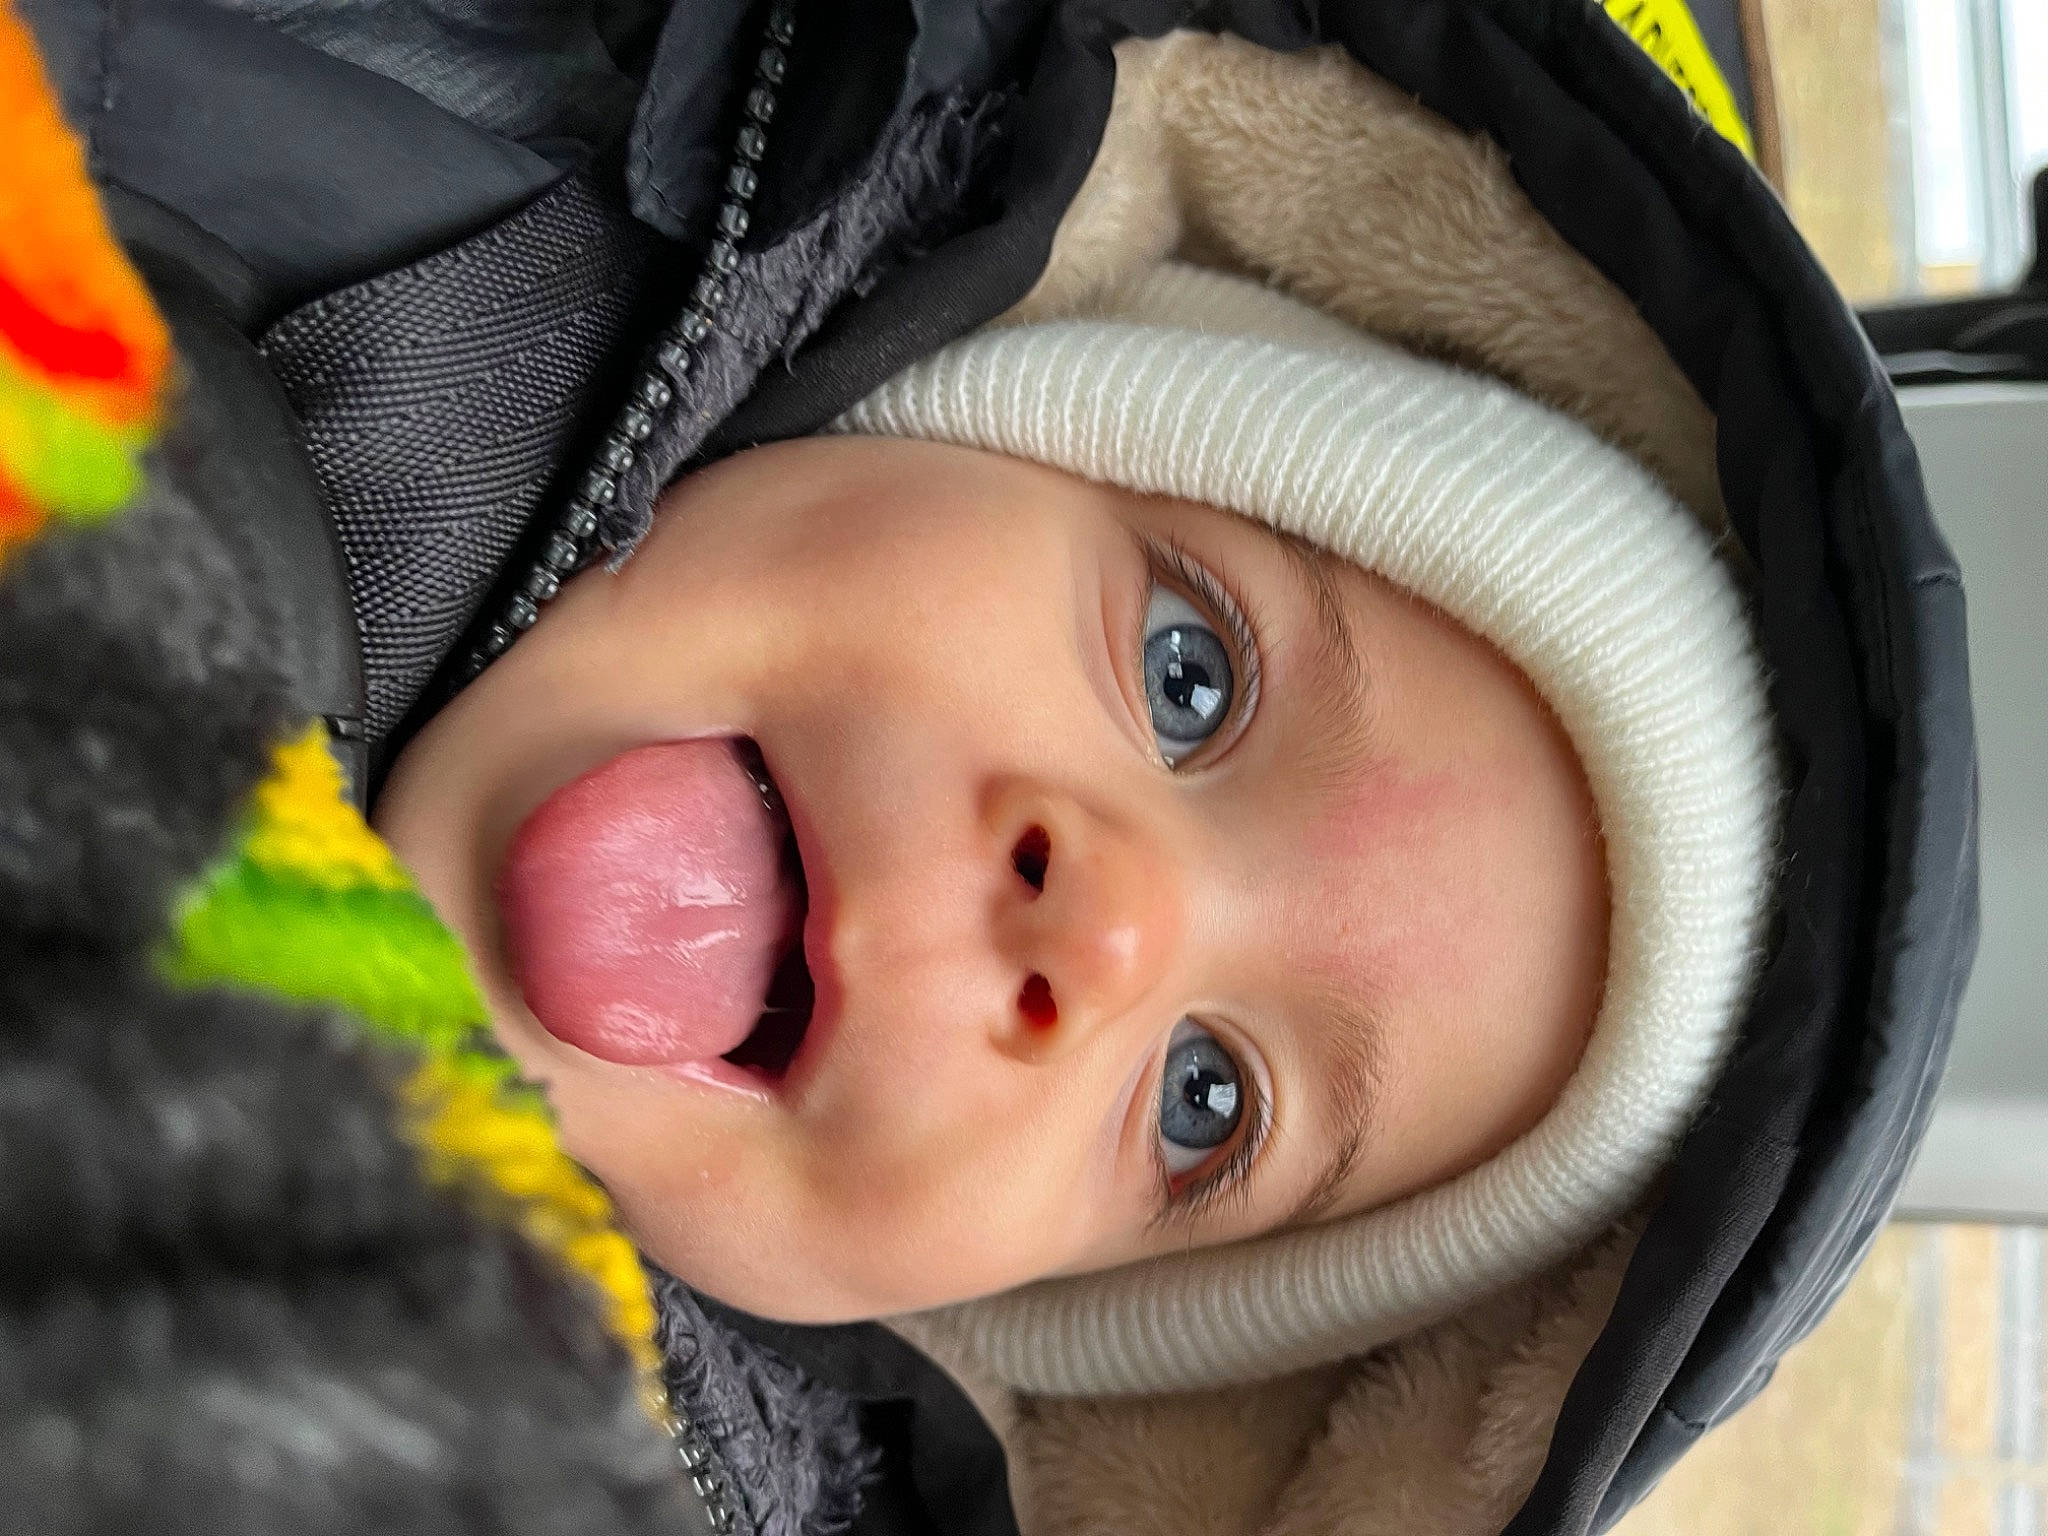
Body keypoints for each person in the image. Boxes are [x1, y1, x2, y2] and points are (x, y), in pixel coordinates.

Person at [1, 7, 1969, 1536]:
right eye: (1190, 676)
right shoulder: (383, 107)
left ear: (997, 1322)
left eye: (1209, 1105)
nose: (1104, 920)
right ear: (971, 404)